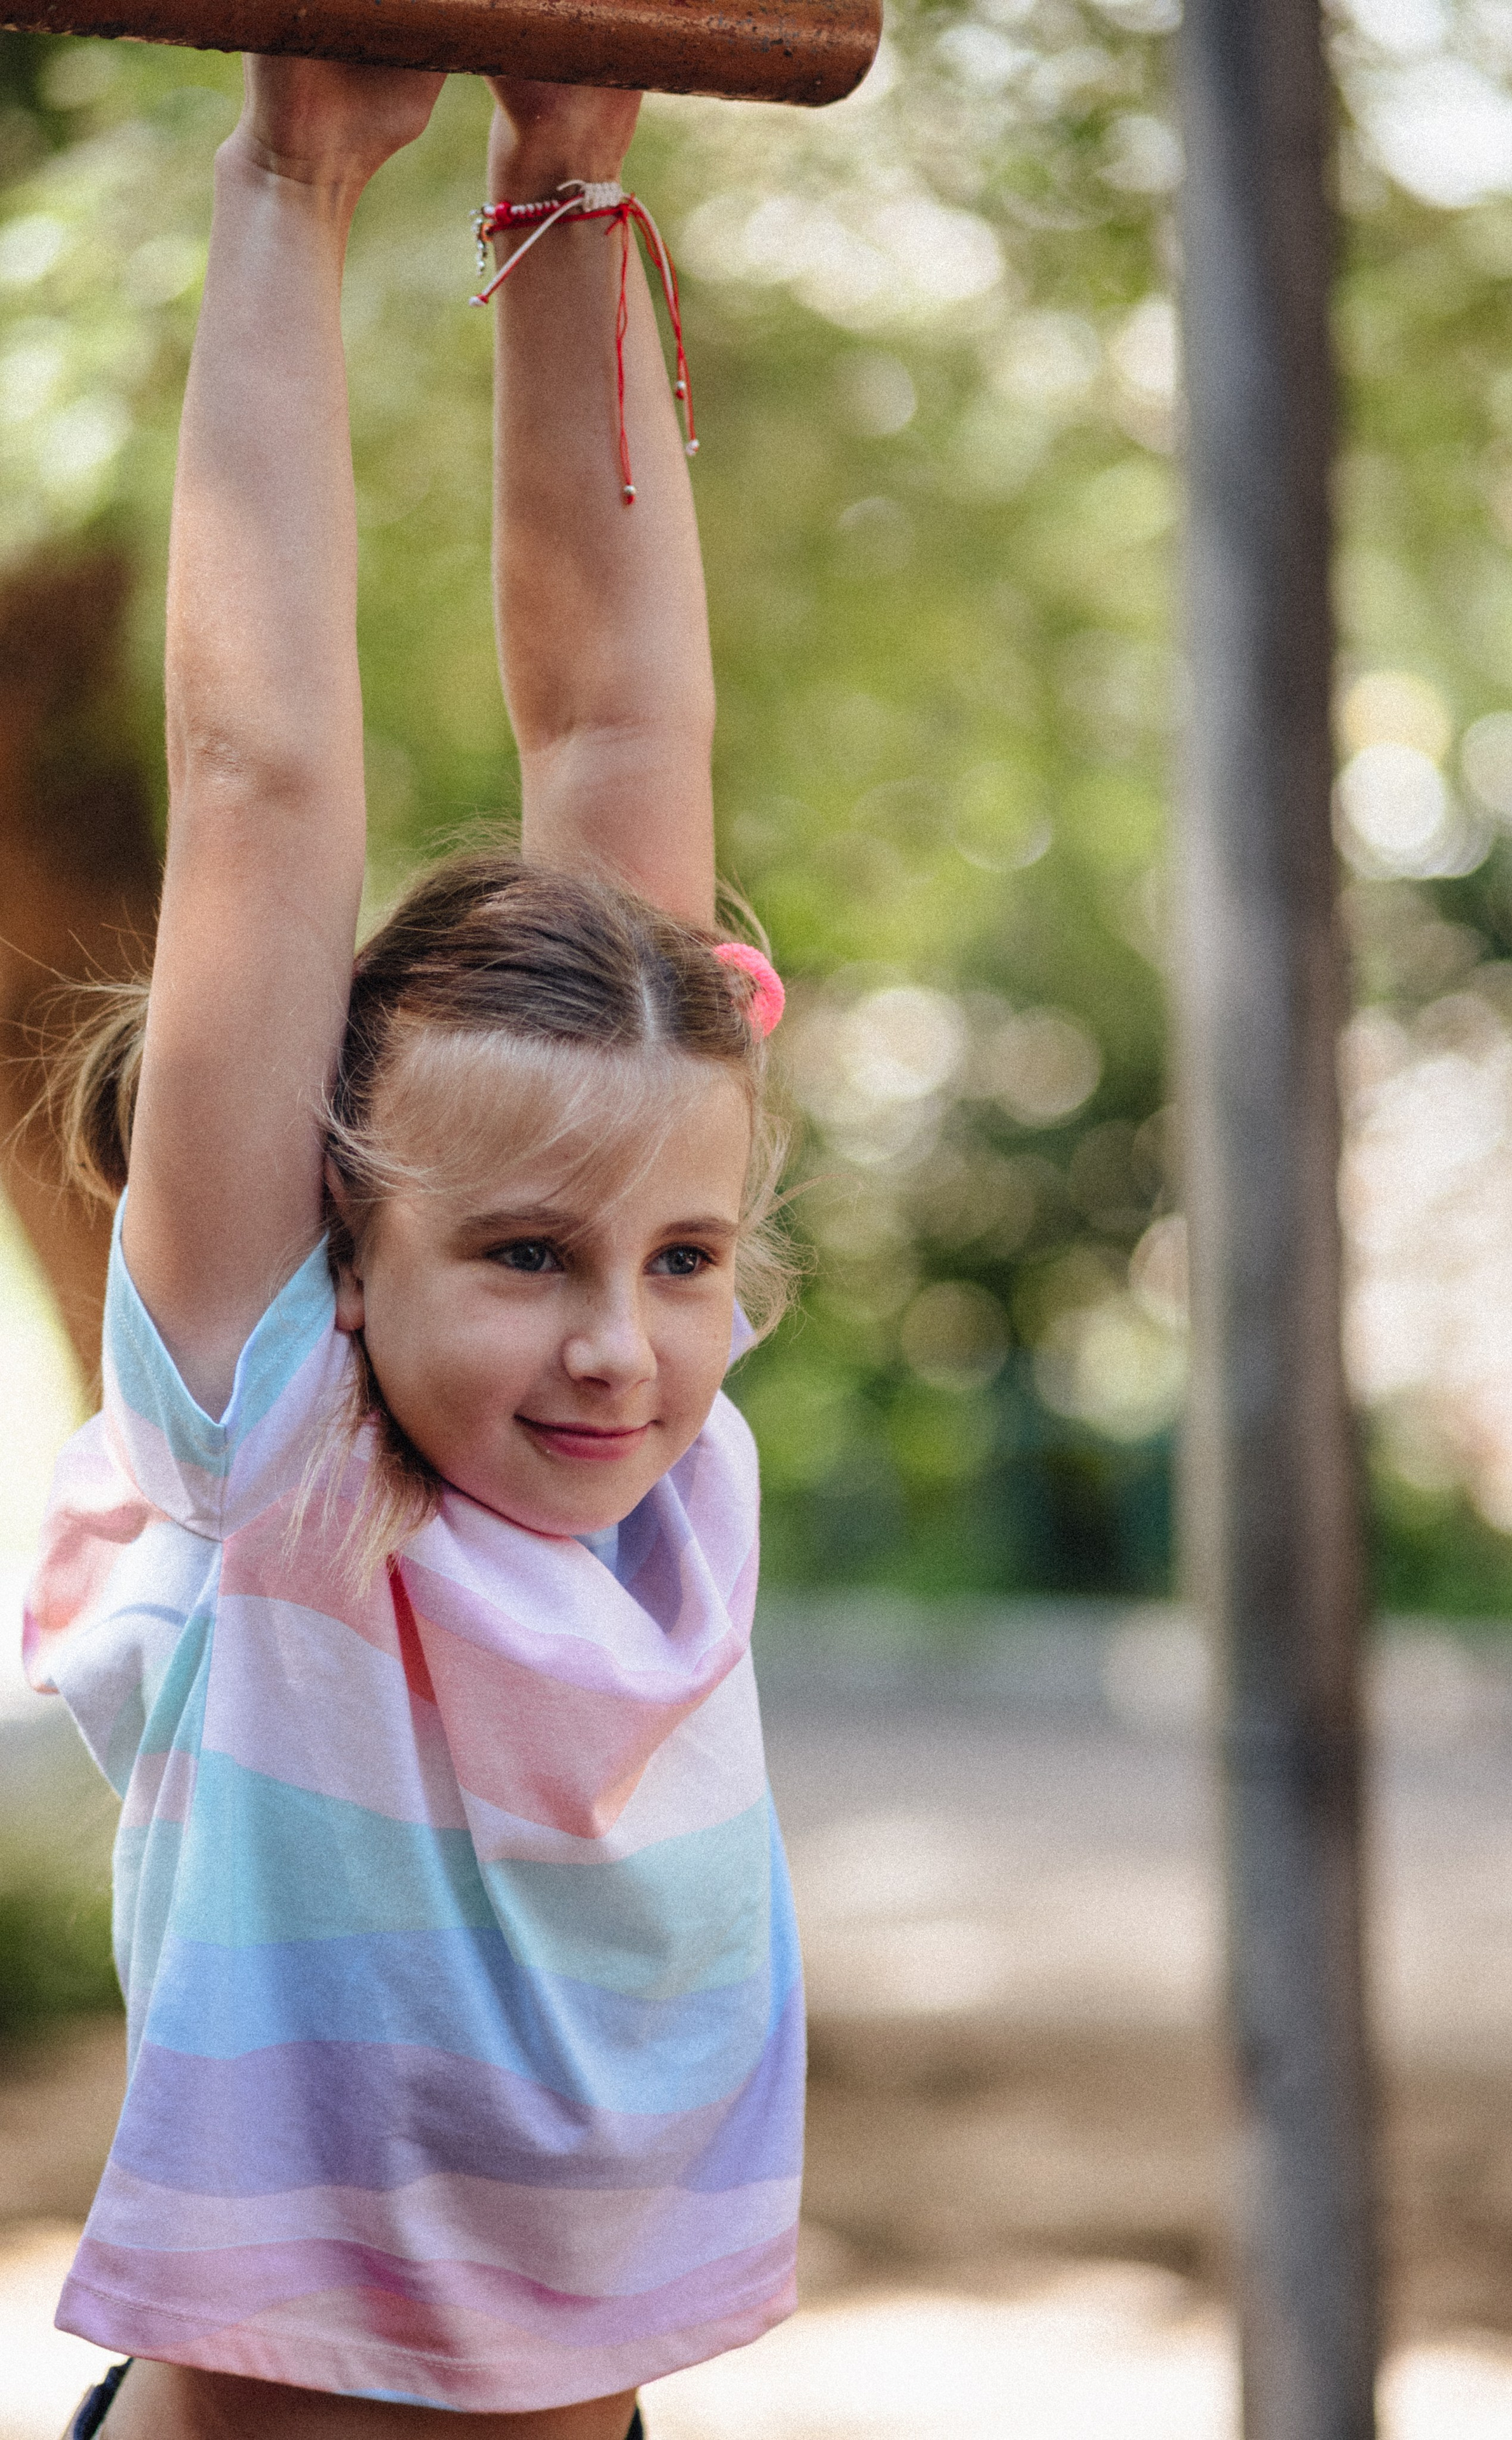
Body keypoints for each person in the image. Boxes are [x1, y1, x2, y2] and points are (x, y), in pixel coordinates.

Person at [24, 53, 804, 2440]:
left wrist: (570, 190)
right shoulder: (292, 1460)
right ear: (346, 1249)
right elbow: (261, 772)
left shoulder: (667, 1496)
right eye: (527, 1259)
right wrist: (294, 179)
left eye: (686, 1261)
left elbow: (616, 723)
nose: (620, 1353)